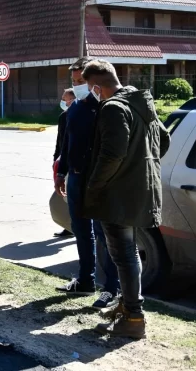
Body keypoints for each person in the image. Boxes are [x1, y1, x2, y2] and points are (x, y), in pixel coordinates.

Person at [81, 60, 170, 339]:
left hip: (118, 195)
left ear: (96, 86)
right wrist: (140, 167)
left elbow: (112, 155)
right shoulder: (142, 102)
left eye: (89, 88)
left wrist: (93, 188)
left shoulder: (113, 108)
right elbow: (163, 141)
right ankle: (129, 305)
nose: (90, 93)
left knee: (125, 255)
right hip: (141, 191)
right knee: (129, 254)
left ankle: (133, 316)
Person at [55, 57, 120, 309]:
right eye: (74, 82)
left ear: (94, 82)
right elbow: (66, 143)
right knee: (81, 231)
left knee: (105, 235)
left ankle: (111, 288)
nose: (78, 86)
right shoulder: (75, 108)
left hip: (98, 182)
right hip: (75, 178)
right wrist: (61, 173)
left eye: (81, 81)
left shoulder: (107, 108)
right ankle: (85, 281)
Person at [52, 88, 75, 238]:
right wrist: (55, 159)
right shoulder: (63, 117)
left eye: (64, 98)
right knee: (63, 196)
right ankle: (68, 227)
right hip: (61, 161)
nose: (62, 101)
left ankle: (75, 227)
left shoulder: (80, 115)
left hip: (72, 164)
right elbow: (60, 142)